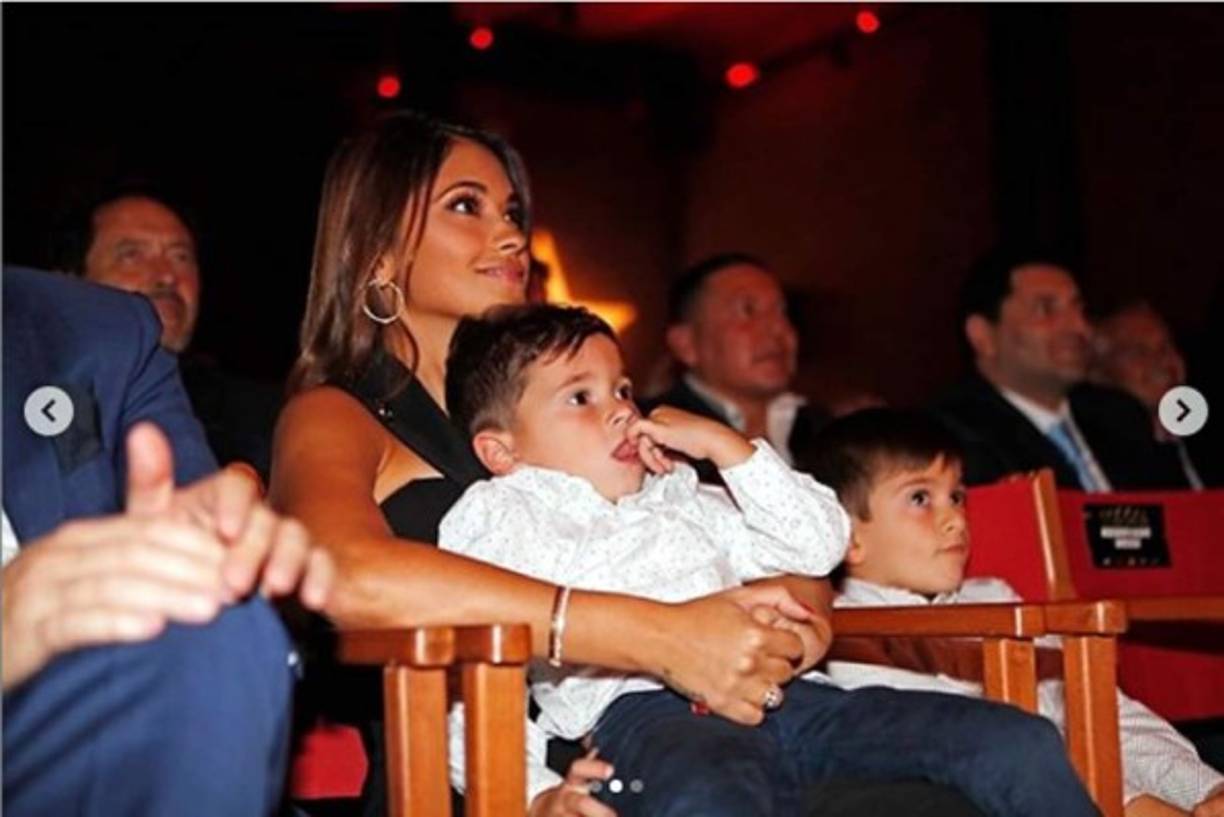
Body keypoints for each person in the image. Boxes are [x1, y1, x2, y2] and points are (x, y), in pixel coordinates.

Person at [270, 109, 987, 817]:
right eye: (467, 206)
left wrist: (792, 630)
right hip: (481, 781)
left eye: (512, 210)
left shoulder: (566, 399)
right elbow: (341, 570)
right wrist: (655, 633)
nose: (511, 233)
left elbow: (735, 531)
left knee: (951, 792)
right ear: (380, 254)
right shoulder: (338, 412)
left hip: (707, 739)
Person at [438, 302, 1101, 817]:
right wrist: (532, 792)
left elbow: (819, 542)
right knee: (716, 800)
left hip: (793, 696)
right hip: (651, 718)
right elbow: (471, 672)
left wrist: (730, 449)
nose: (618, 411)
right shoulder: (502, 515)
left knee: (1016, 738)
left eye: (622, 389)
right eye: (581, 397)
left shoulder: (681, 496)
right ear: (502, 451)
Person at [2, 265, 333, 816]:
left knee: (208, 601)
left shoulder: (98, 331)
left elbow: (202, 541)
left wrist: (224, 541)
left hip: (94, 721)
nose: (163, 272)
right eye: (133, 251)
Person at [803, 407, 1224, 817]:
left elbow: (1104, 717)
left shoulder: (997, 597)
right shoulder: (846, 637)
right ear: (846, 536)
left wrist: (1203, 788)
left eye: (957, 495)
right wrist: (1131, 805)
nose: (954, 517)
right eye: (920, 498)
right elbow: (978, 758)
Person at [54, 184, 282, 485]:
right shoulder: (25, 399)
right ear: (68, 282)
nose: (166, 276)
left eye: (181, 257)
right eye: (132, 255)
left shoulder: (264, 420)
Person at [931, 247, 1182, 489]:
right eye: (1046, 310)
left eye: (1079, 309)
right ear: (983, 335)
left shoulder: (1119, 417)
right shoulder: (954, 441)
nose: (1078, 328)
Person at [643, 252, 830, 481]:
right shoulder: (652, 436)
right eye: (748, 311)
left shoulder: (829, 428)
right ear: (687, 344)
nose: (777, 329)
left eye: (782, 313)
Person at [1091, 300, 1218, 488]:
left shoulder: (1208, 439)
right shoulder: (1098, 462)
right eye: (1139, 353)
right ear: (1099, 373)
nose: (1162, 362)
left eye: (1166, 347)